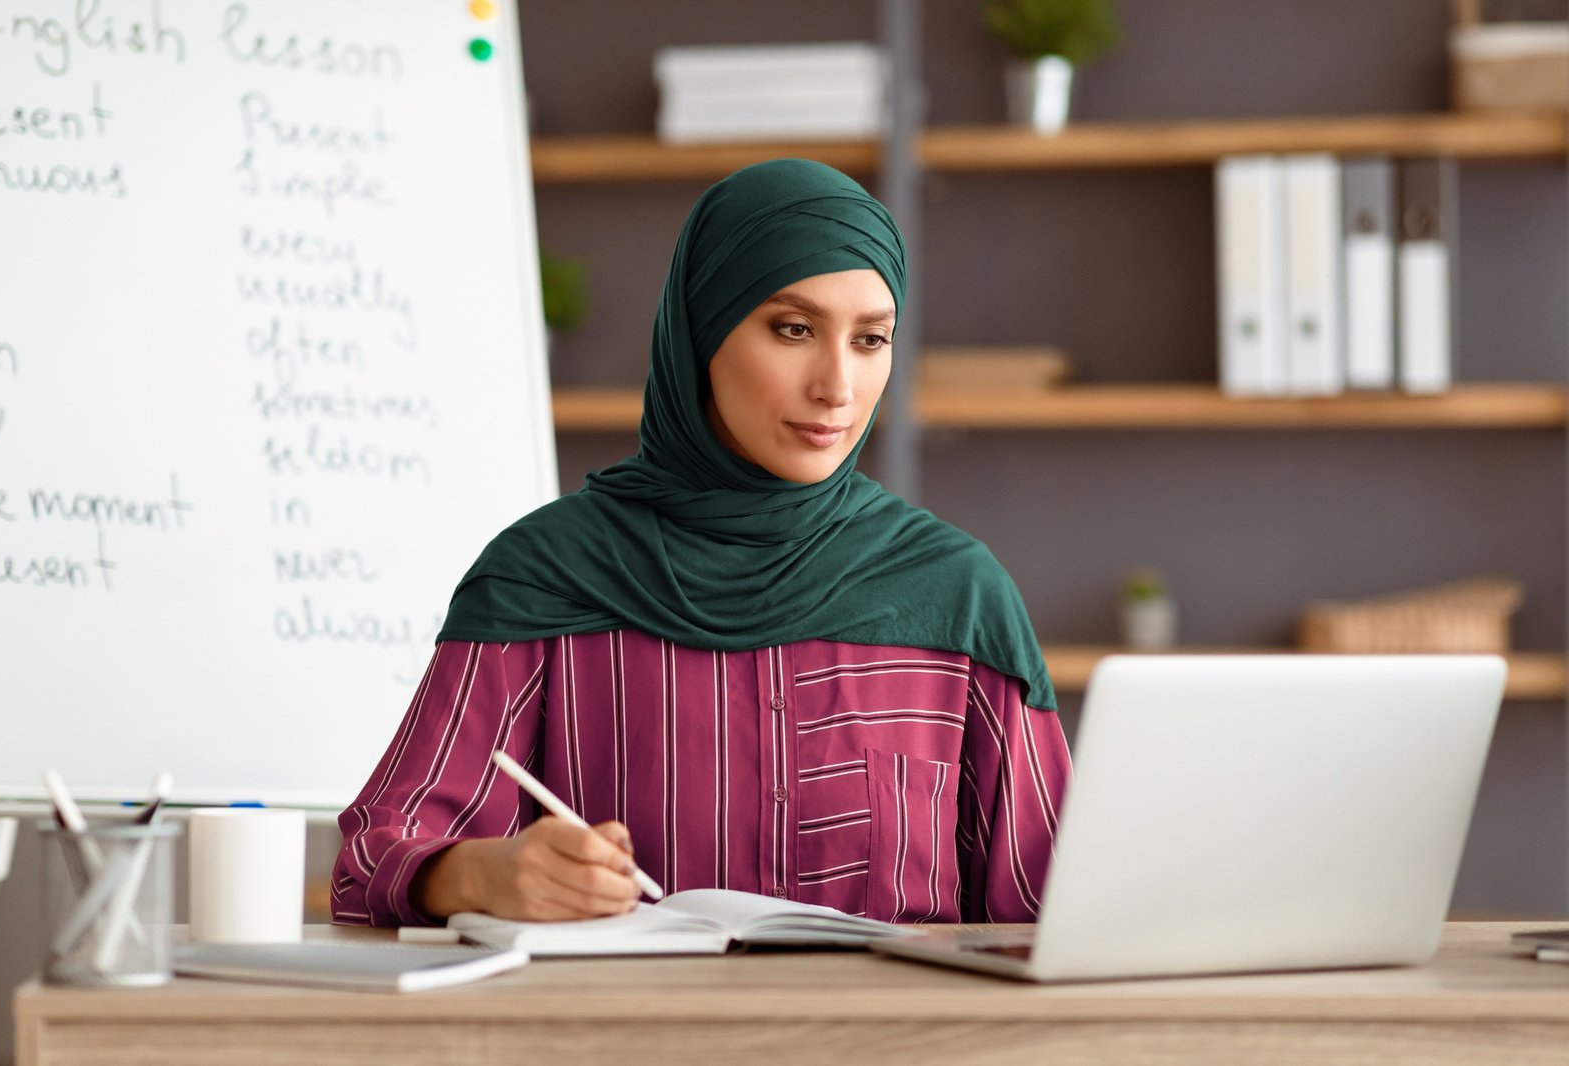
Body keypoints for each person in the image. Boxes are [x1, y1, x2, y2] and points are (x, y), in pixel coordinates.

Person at [332, 158, 1070, 928]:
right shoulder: (544, 575)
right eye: (794, 329)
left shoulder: (956, 593)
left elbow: (1052, 911)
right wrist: (479, 875)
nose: (838, 386)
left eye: (870, 338)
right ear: (703, 329)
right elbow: (367, 867)